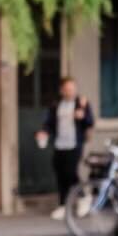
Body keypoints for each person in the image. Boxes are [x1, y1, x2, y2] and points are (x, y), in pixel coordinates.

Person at [36, 75, 94, 218]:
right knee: (60, 174)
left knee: (70, 172)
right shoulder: (56, 105)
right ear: (62, 90)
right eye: (67, 89)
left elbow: (90, 122)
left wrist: (83, 117)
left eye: (73, 89)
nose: (70, 92)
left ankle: (83, 197)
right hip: (59, 144)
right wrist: (44, 132)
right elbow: (49, 123)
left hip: (74, 144)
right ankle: (63, 205)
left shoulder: (81, 103)